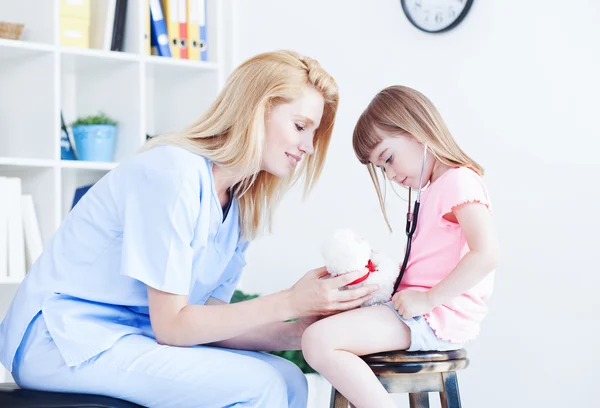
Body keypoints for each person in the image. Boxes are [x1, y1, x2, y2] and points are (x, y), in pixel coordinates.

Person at [0, 50, 380, 408]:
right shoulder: (173, 174)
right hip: (61, 340)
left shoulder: (240, 202)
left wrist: (298, 330)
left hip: (131, 336)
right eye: (300, 126)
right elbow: (173, 326)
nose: (309, 147)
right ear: (256, 110)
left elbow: (208, 320)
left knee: (289, 377)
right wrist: (289, 300)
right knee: (259, 386)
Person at [301, 85, 500, 408]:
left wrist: (428, 298)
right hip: (419, 312)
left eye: (388, 158)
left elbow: (487, 253)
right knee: (321, 330)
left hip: (436, 315)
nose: (390, 174)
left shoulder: (459, 180)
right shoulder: (436, 188)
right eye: (382, 168)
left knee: (319, 340)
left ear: (417, 131)